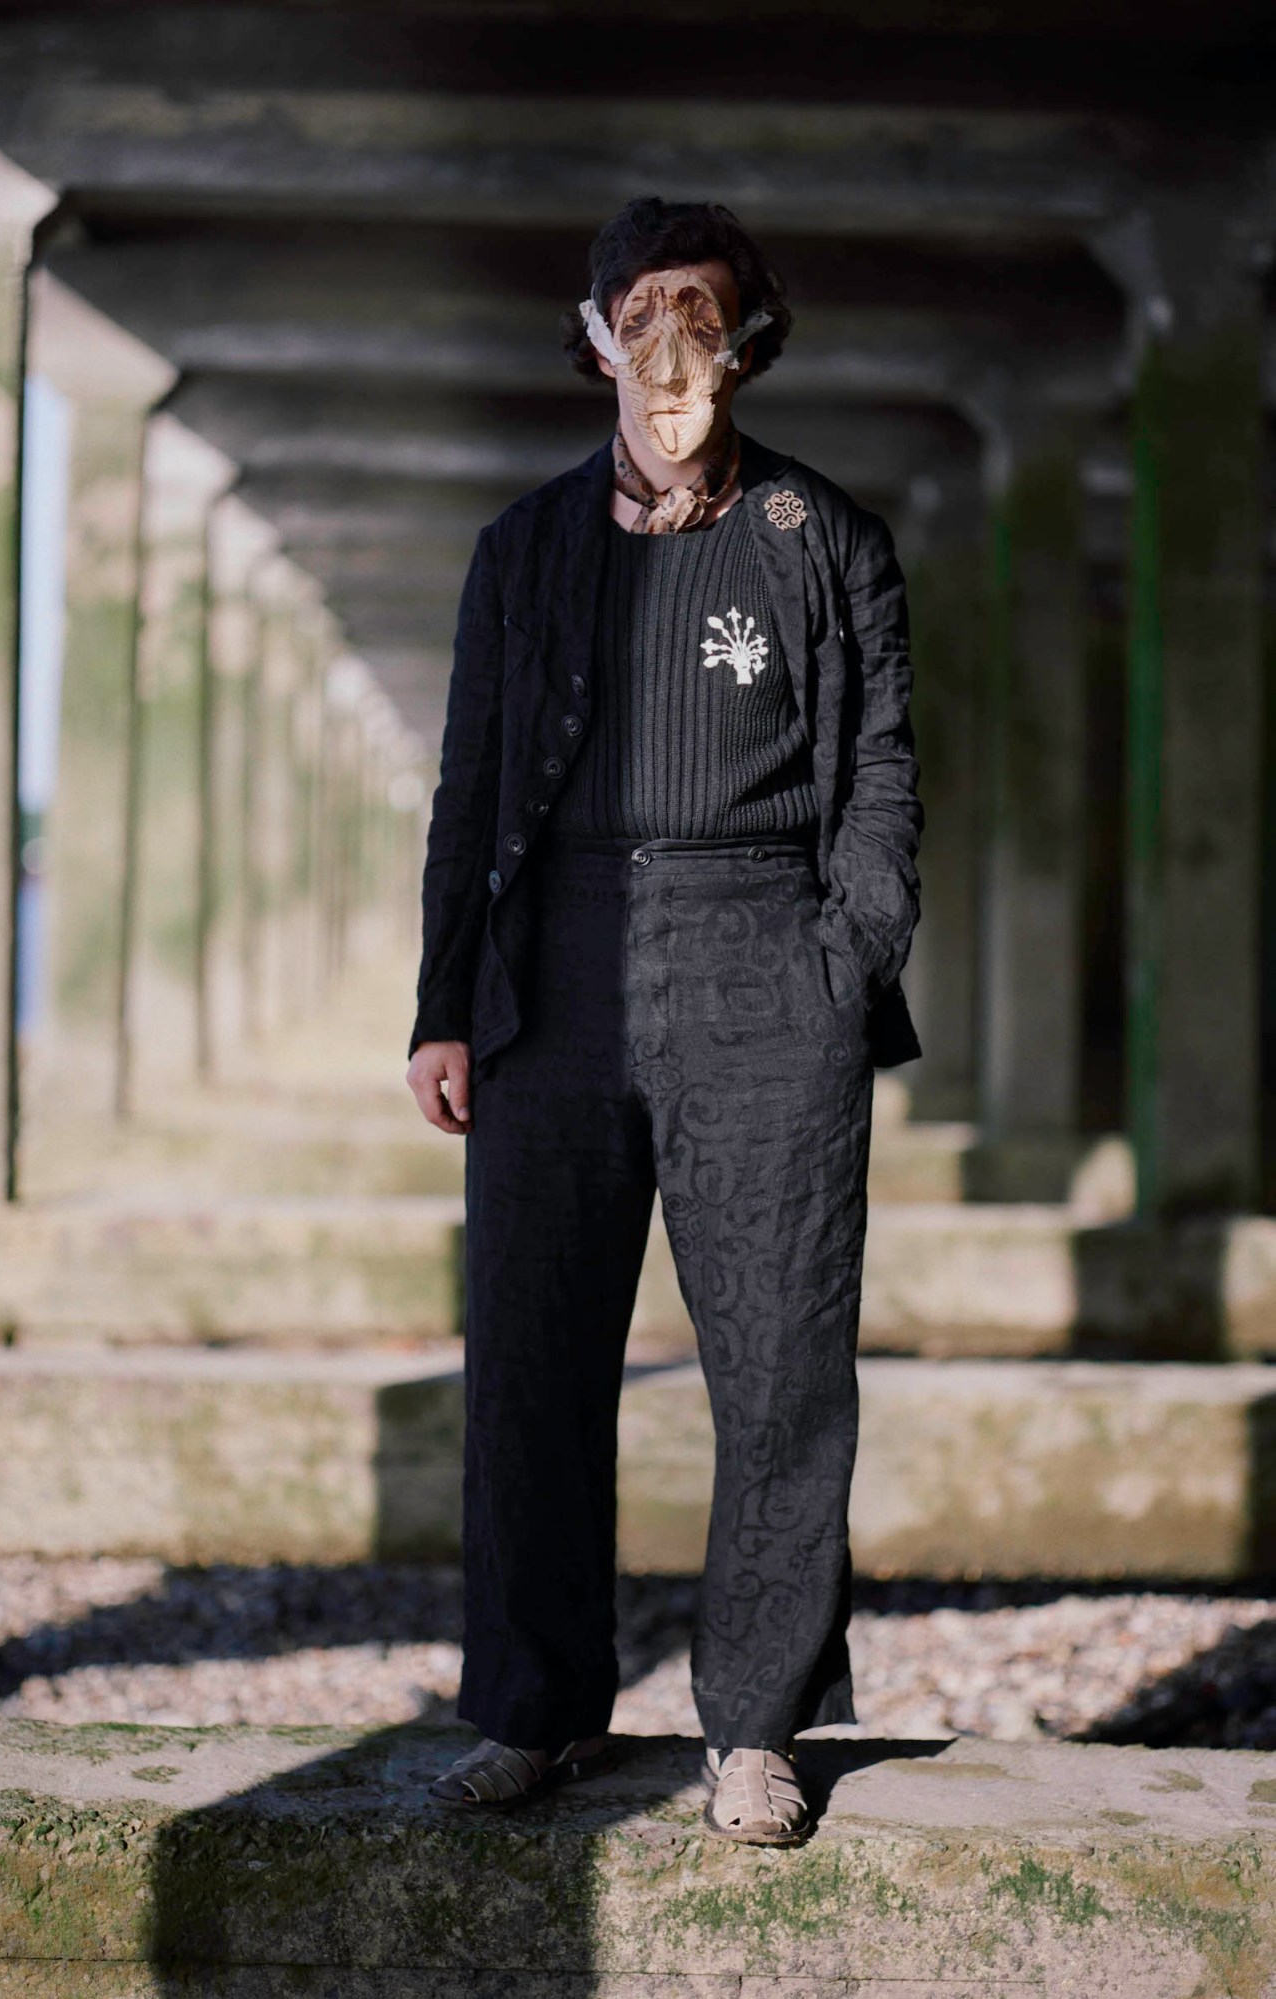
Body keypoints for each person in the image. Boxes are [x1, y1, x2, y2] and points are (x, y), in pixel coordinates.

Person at [406, 196, 923, 1845]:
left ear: (748, 338)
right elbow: (466, 789)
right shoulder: (521, 549)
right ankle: (535, 1709)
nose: (667, 338)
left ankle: (758, 1728)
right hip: (554, 969)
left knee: (781, 1373)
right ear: (592, 336)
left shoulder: (825, 539)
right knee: (532, 1364)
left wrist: (844, 964)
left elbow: (881, 778)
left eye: (698, 305)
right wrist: (444, 1006)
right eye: (636, 306)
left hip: (765, 963)